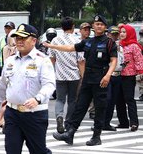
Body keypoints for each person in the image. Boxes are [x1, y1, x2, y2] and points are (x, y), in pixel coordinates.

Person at [0, 23, 62, 154]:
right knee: (12, 152)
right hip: (13, 114)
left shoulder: (42, 60)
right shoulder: (10, 61)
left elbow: (49, 85)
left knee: (38, 151)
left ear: (34, 40)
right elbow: (2, 86)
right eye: (17, 38)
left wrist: (38, 99)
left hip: (35, 115)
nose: (19, 41)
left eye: (23, 38)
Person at [47, 15, 118, 146]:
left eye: (101, 24)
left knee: (99, 108)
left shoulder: (109, 42)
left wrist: (108, 75)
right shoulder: (88, 41)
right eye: (97, 24)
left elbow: (114, 60)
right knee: (80, 106)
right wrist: (52, 46)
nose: (99, 26)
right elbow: (70, 48)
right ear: (93, 26)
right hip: (87, 78)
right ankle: (70, 133)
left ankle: (96, 136)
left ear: (105, 27)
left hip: (101, 78)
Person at [50, 17, 85, 134]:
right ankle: (68, 122)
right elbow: (81, 61)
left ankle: (59, 116)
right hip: (74, 75)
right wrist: (82, 75)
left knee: (60, 99)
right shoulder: (77, 41)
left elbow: (52, 59)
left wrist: (52, 73)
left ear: (62, 27)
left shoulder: (55, 41)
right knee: (72, 100)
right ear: (73, 26)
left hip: (60, 75)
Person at [117, 24, 143, 131]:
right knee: (119, 100)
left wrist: (140, 74)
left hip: (129, 76)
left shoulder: (134, 46)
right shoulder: (119, 45)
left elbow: (139, 61)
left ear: (130, 33)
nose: (122, 34)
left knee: (129, 99)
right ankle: (123, 122)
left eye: (124, 32)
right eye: (121, 32)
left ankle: (134, 123)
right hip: (118, 75)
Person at [103, 25, 127, 131]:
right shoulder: (105, 45)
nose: (115, 36)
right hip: (108, 74)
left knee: (112, 101)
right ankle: (100, 123)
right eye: (113, 34)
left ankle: (106, 123)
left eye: (116, 34)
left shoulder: (120, 47)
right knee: (106, 100)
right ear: (108, 34)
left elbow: (121, 60)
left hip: (118, 75)